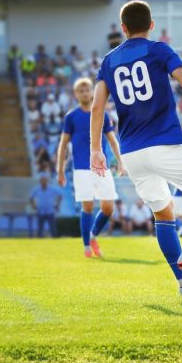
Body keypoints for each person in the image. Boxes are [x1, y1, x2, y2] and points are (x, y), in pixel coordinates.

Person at [91, 0, 182, 297]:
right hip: (163, 143)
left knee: (164, 216)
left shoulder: (108, 61)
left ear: (123, 28)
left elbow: (96, 108)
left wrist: (95, 150)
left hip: (132, 154)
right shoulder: (160, 49)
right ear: (151, 25)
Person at [57, 77, 124, 258]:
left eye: (88, 90)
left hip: (101, 168)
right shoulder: (71, 117)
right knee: (87, 207)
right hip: (81, 169)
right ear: (76, 94)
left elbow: (112, 140)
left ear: (93, 92)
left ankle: (93, 235)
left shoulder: (103, 114)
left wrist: (120, 161)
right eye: (81, 90)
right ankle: (87, 246)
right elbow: (63, 145)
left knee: (108, 207)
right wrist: (60, 170)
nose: (85, 93)